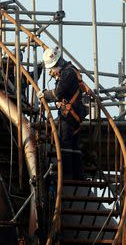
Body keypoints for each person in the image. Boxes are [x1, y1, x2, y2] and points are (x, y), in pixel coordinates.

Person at [38, 46, 87, 180]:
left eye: (52, 69)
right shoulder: (69, 71)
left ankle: (67, 175)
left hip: (70, 114)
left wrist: (44, 94)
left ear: (57, 64)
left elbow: (58, 93)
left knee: (65, 143)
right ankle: (78, 175)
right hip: (73, 112)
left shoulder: (68, 73)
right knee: (74, 144)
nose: (52, 72)